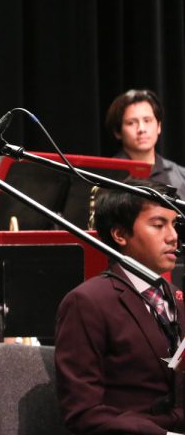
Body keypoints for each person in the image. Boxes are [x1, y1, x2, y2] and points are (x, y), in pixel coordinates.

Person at [55, 179, 185, 434]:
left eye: (174, 224)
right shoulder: (87, 302)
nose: (173, 236)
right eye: (159, 225)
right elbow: (84, 413)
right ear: (120, 234)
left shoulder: (178, 298)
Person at [106, 89, 185, 199]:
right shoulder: (106, 176)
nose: (141, 129)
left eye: (147, 120)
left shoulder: (181, 176)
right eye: (131, 123)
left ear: (159, 126)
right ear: (118, 132)